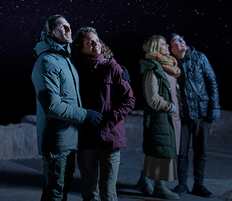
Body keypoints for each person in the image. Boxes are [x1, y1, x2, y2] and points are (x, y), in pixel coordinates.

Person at [32, 14, 103, 201]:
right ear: (50, 33)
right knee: (55, 192)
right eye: (62, 27)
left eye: (69, 26)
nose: (68, 29)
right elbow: (52, 106)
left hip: (70, 138)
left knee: (63, 189)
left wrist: (115, 67)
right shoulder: (47, 62)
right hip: (58, 141)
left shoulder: (65, 59)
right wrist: (85, 114)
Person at [71, 27, 135, 201]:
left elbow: (129, 101)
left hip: (110, 138)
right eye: (89, 42)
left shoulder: (113, 68)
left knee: (108, 190)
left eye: (97, 40)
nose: (95, 44)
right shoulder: (76, 70)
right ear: (81, 47)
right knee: (89, 191)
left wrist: (107, 122)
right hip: (87, 140)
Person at [167, 33, 220, 198]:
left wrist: (215, 107)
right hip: (182, 115)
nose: (181, 40)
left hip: (201, 112)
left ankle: (199, 185)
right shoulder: (171, 62)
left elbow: (212, 81)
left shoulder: (199, 57)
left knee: (200, 151)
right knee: (181, 152)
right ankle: (182, 185)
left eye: (181, 38)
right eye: (176, 40)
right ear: (171, 48)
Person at [136, 35, 181, 200]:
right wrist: (169, 106)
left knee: (160, 150)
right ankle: (159, 186)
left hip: (172, 116)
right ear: (155, 48)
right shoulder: (153, 69)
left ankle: (144, 180)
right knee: (161, 152)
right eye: (162, 44)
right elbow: (153, 99)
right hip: (162, 116)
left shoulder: (168, 66)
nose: (167, 46)